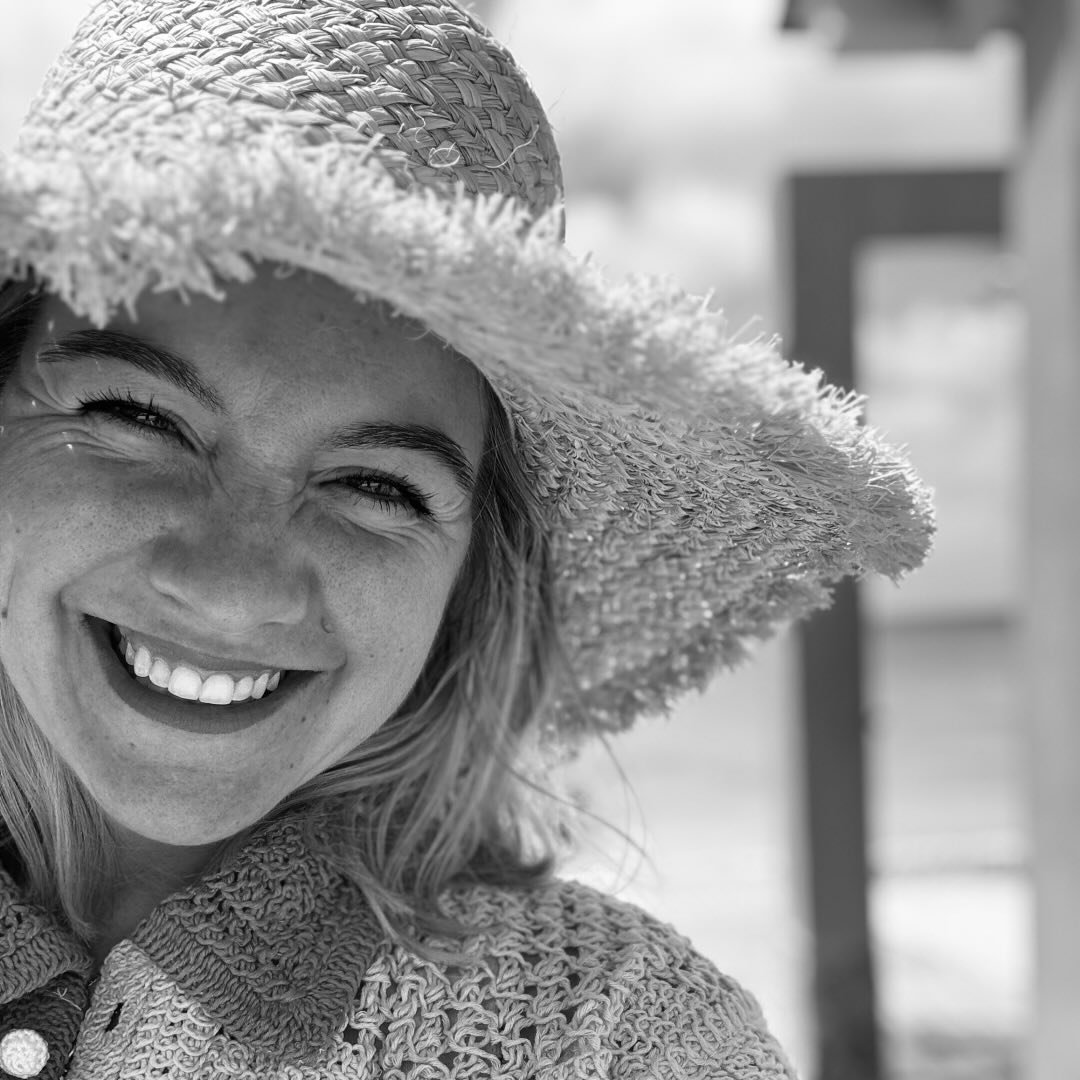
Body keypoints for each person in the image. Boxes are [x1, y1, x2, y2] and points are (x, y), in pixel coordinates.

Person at [0, 1, 933, 1077]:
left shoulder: (612, 1039)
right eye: (137, 418)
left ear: (473, 581)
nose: (234, 588)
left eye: (374, 487)